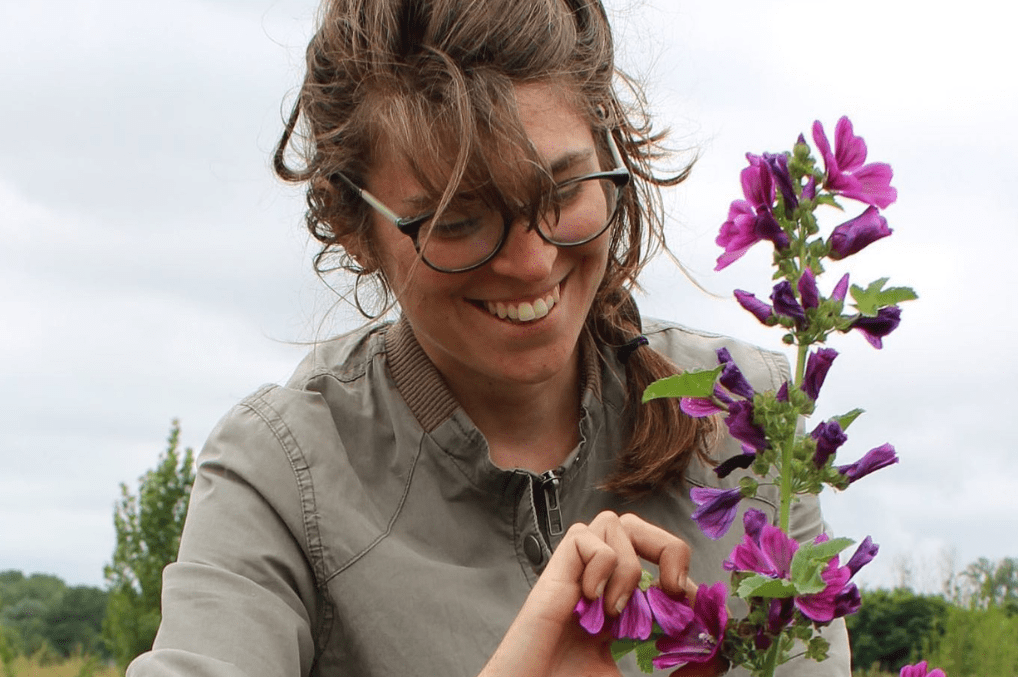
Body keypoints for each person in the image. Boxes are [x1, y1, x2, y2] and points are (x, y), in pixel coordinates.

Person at [128, 0, 850, 675]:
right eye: (459, 219)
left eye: (562, 192)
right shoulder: (284, 475)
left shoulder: (745, 416)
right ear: (355, 226)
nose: (532, 263)